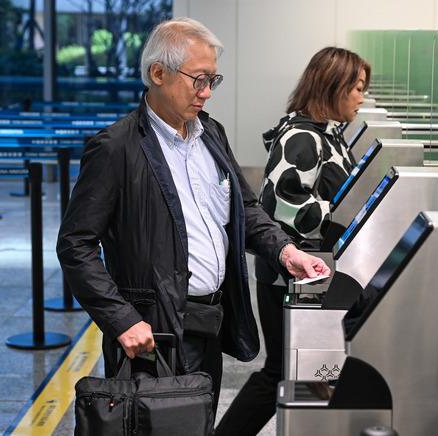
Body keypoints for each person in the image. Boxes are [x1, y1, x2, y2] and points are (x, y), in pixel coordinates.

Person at [56, 17, 330, 418]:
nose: (206, 93)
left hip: (208, 324)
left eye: (213, 82)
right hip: (153, 334)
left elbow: (245, 210)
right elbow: (75, 244)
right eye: (199, 80)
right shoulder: (116, 148)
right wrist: (121, 320)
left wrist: (286, 251)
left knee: (197, 425)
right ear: (157, 73)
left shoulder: (211, 135)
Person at [215, 46, 370, 435]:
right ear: (334, 86)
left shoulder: (324, 133)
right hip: (286, 274)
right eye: (358, 88)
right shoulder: (303, 136)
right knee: (279, 371)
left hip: (301, 273)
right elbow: (283, 206)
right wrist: (349, 217)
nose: (361, 98)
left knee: (295, 370)